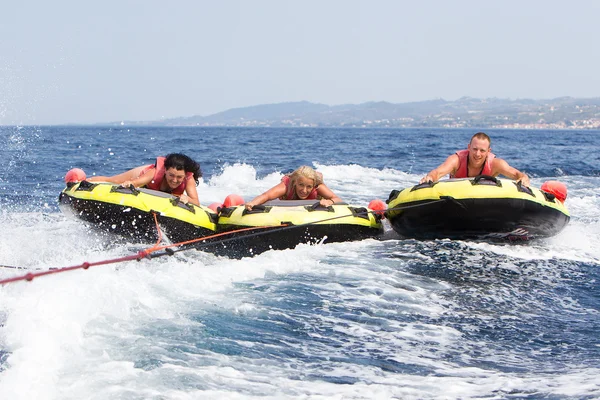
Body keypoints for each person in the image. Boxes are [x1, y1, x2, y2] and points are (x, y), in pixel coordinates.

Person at [419, 132, 530, 187]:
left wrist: (523, 178)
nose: (477, 154)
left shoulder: (495, 164)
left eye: (482, 150)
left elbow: (516, 174)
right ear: (468, 148)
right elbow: (438, 172)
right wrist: (430, 177)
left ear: (488, 151)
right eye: (475, 149)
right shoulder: (456, 160)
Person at [88, 153, 202, 206]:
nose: (175, 180)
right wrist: (129, 183)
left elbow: (196, 201)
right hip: (142, 175)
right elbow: (135, 183)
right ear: (165, 171)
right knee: (114, 181)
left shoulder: (188, 179)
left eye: (179, 177)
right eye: (171, 175)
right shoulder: (155, 173)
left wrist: (187, 198)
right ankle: (84, 182)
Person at [245, 165, 342, 210]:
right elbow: (266, 196)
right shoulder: (287, 186)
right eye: (301, 185)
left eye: (309, 187)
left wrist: (329, 201)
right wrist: (253, 203)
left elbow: (337, 199)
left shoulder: (317, 186)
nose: (304, 190)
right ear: (295, 182)